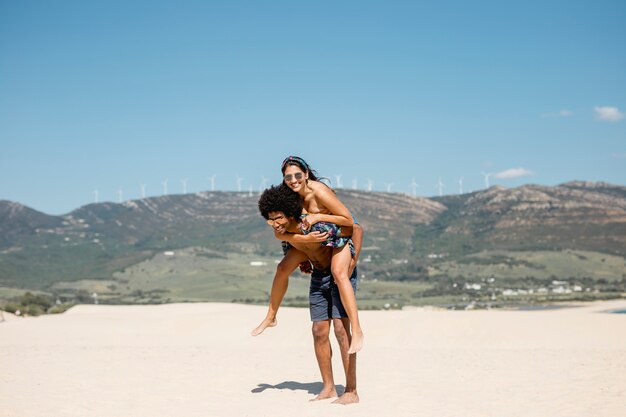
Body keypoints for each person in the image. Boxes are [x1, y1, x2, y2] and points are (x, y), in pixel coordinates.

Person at [252, 184, 362, 404]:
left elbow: (355, 229)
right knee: (319, 330)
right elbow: (290, 243)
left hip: (337, 274)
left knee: (341, 330)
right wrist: (303, 243)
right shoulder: (284, 233)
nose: (276, 224)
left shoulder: (313, 222)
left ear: (289, 212)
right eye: (270, 220)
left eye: (279, 218)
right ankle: (329, 387)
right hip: (318, 276)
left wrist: (353, 260)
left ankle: (351, 390)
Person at [278, 156, 364, 354]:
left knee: (339, 273)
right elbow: (287, 231)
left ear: (306, 174)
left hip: (342, 238)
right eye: (288, 177)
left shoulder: (319, 189)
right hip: (325, 248)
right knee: (319, 330)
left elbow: (351, 223)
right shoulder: (292, 199)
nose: (293, 180)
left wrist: (317, 216)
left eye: (297, 175)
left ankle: (358, 330)